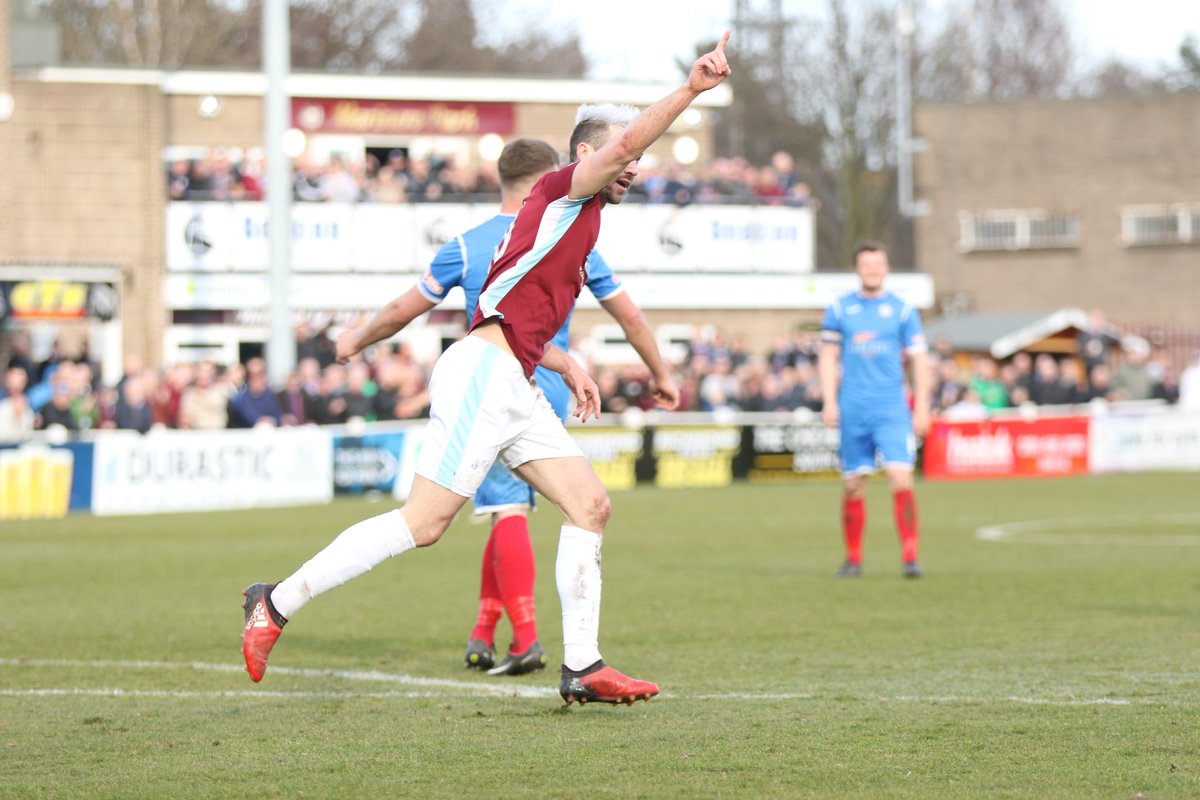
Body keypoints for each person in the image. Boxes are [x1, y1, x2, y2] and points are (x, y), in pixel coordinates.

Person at [241, 33, 731, 705]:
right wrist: (690, 88)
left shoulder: (576, 229)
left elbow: (514, 314)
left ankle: (582, 667)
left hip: (516, 379)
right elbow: (495, 320)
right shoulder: (565, 189)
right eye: (628, 155)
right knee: (424, 525)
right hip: (483, 376)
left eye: (640, 160)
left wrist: (570, 360)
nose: (635, 167)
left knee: (590, 504)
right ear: (585, 155)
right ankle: (276, 602)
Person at [331, 136, 681, 676]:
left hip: (494, 380)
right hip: (547, 381)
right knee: (519, 511)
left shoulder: (469, 245)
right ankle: (492, 630)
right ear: (554, 174)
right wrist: (660, 373)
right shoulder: (576, 233)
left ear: (501, 179)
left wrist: (357, 339)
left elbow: (407, 306)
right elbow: (629, 317)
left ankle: (530, 640)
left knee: (499, 513)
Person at [818, 241, 932, 579]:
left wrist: (922, 406)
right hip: (853, 407)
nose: (872, 269)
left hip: (892, 408)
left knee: (900, 477)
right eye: (866, 264)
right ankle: (853, 558)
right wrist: (828, 400)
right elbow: (827, 356)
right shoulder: (839, 308)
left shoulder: (901, 310)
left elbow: (920, 360)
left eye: (877, 264)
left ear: (887, 268)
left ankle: (910, 556)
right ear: (857, 269)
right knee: (854, 484)